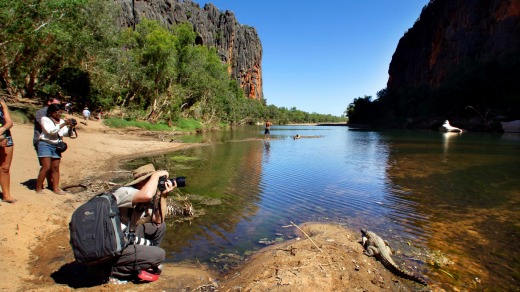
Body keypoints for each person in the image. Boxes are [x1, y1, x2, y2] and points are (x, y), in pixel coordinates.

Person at [110, 163, 176, 280]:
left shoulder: (147, 195)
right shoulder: (124, 191)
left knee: (159, 227)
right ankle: (112, 269)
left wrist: (163, 196)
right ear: (140, 182)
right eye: (153, 180)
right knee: (160, 255)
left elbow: (158, 220)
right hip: (113, 243)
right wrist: (156, 175)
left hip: (127, 235)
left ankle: (145, 258)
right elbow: (145, 195)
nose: (157, 182)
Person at [35, 104, 74, 195]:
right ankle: (38, 187)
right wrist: (64, 124)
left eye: (61, 112)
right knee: (46, 167)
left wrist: (71, 127)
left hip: (56, 146)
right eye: (58, 112)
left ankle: (55, 188)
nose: (59, 114)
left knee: (56, 167)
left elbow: (66, 134)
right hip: (45, 144)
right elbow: (51, 131)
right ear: (51, 112)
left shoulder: (60, 121)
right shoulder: (45, 119)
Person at [33, 96, 61, 190]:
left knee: (54, 166)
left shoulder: (58, 116)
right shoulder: (42, 114)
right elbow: (47, 129)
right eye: (56, 104)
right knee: (46, 165)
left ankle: (51, 185)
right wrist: (60, 124)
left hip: (55, 142)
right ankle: (39, 187)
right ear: (49, 102)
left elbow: (61, 131)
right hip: (41, 141)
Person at [0, 98, 15, 203]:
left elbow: (9, 122)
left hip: (5, 136)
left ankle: (6, 195)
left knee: (5, 168)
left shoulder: (1, 102)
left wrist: (2, 130)